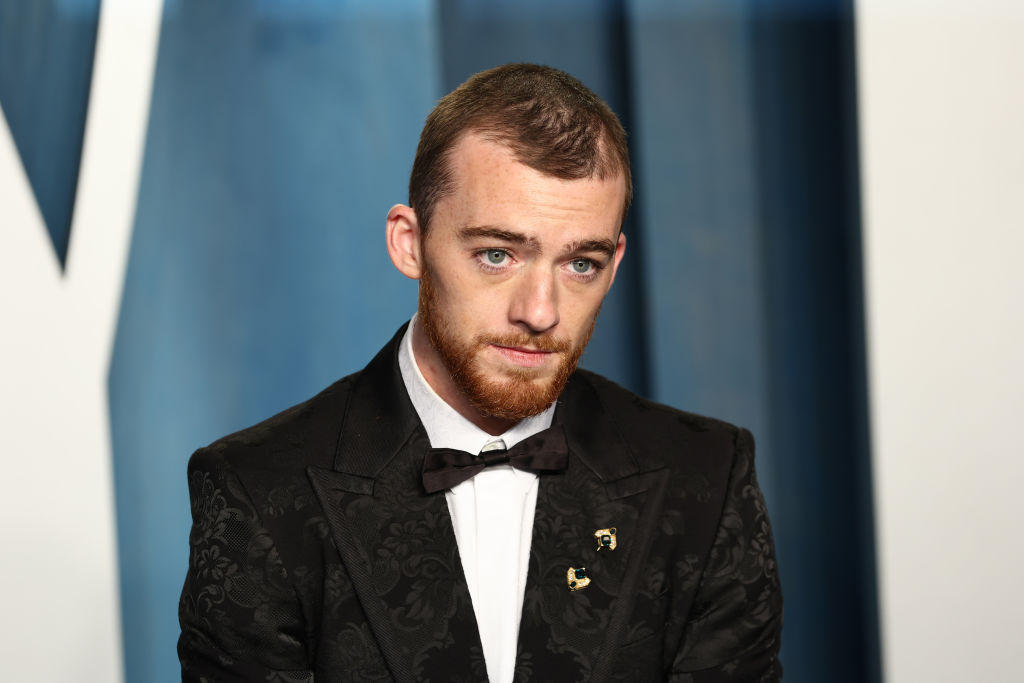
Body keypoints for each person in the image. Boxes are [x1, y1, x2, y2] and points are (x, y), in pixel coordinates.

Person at [178, 63, 783, 683]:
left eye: (581, 264)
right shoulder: (257, 491)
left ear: (615, 262)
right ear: (410, 243)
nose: (540, 312)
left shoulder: (706, 478)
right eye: (497, 255)